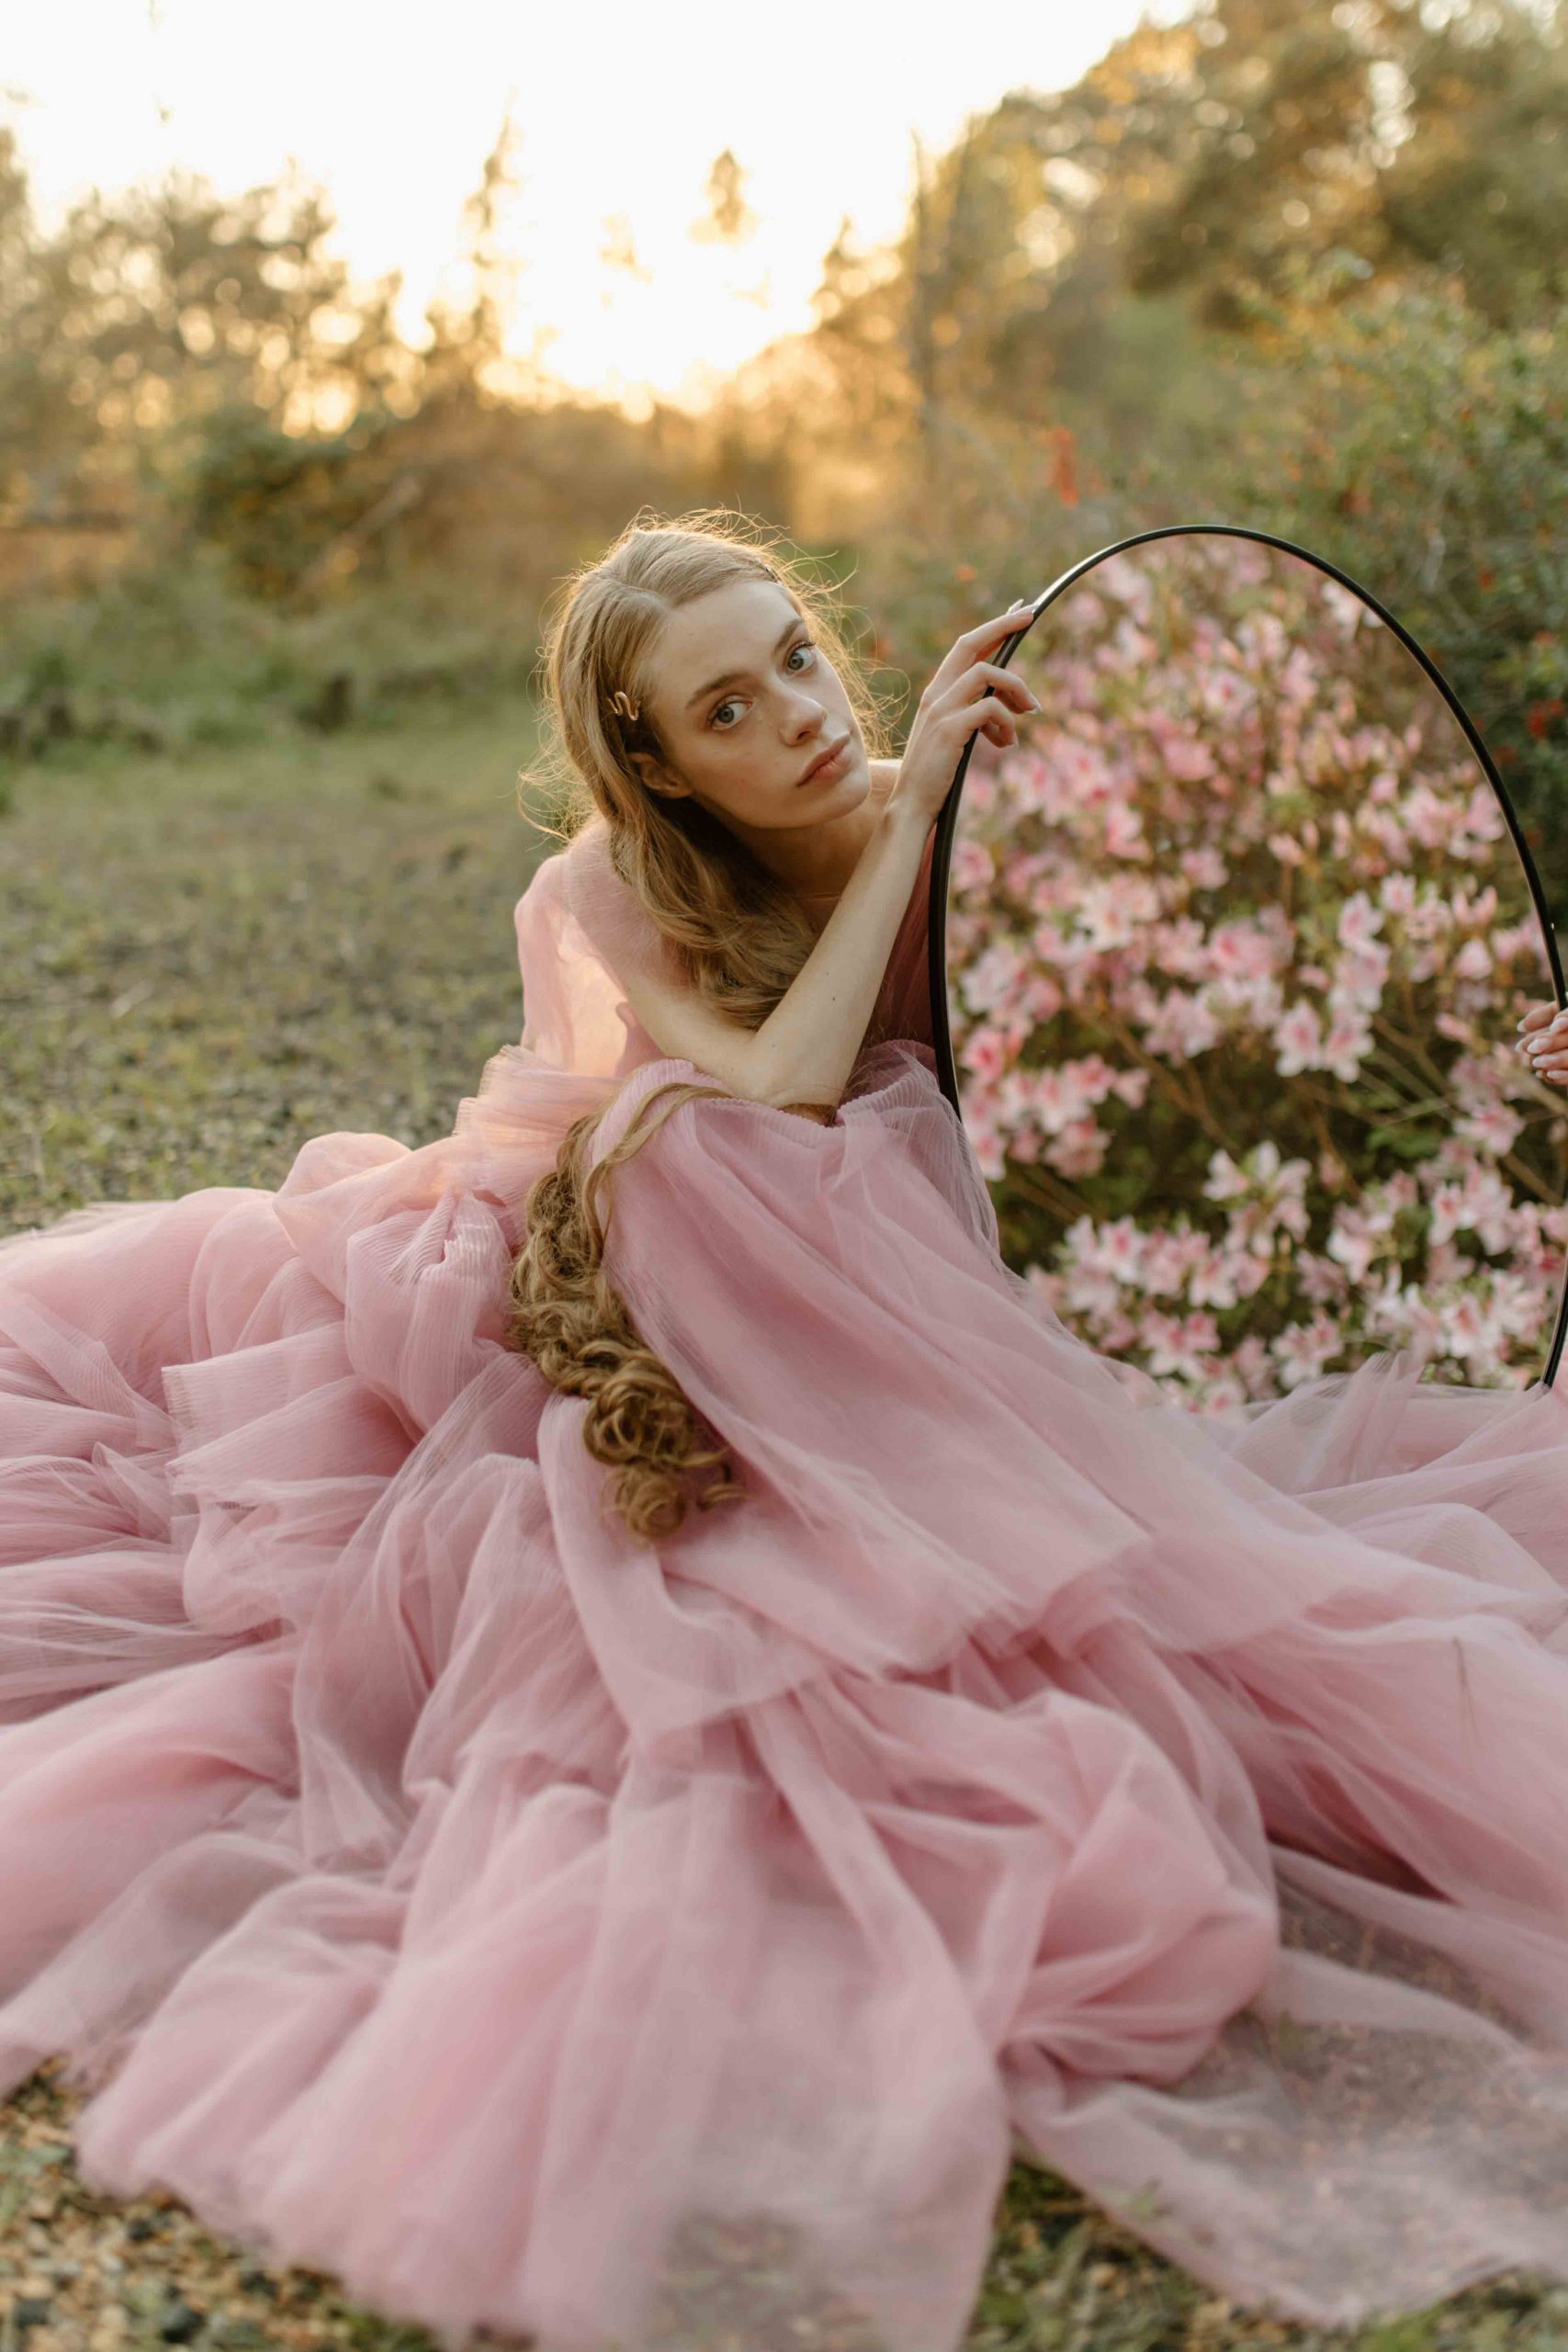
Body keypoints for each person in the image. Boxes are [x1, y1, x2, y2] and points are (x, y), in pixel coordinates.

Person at [2, 508, 1568, 2352]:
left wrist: (1491, 1037)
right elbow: (770, 1084)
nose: (798, 719)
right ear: (657, 760)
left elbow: (1216, 1011)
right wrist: (900, 832)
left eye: (796, 661)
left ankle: (939, 1491)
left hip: (859, 1318)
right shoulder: (615, 877)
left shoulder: (966, 812)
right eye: (726, 709)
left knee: (783, 1171)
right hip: (590, 1287)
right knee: (702, 1147)